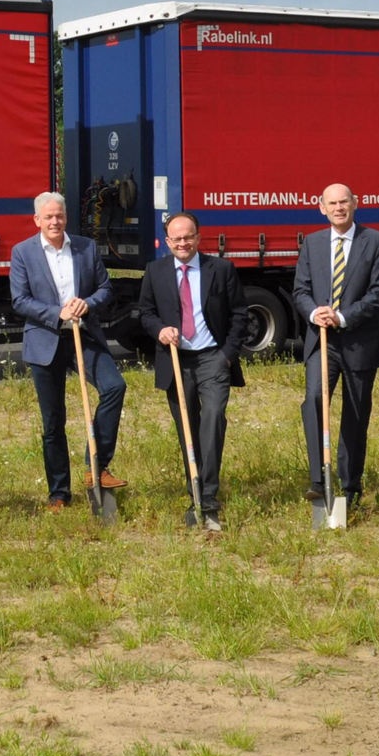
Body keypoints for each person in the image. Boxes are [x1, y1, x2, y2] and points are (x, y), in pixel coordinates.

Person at [10, 191, 127, 510]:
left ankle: (96, 467)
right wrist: (56, 312)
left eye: (59, 215)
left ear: (66, 217)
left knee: (114, 387)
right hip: (45, 339)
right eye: (48, 217)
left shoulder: (86, 248)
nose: (55, 222)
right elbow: (20, 300)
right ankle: (59, 492)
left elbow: (105, 289)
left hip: (84, 336)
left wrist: (86, 303)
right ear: (37, 220)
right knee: (53, 421)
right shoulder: (23, 252)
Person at [138, 212, 248, 531]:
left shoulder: (221, 269)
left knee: (213, 418)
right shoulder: (155, 271)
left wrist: (227, 356)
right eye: (177, 239)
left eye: (188, 237)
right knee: (187, 427)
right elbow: (145, 312)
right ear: (167, 241)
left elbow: (239, 315)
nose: (183, 243)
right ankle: (195, 492)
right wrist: (160, 330)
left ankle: (209, 496)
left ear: (199, 238)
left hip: (213, 357)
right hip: (176, 360)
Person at [294, 183, 379, 506]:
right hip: (322, 341)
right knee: (314, 399)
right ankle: (318, 480)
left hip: (359, 341)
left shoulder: (376, 241)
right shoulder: (312, 243)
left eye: (344, 202)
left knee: (355, 412)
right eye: (332, 203)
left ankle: (350, 488)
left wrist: (343, 317)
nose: (338, 208)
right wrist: (314, 313)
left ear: (355, 204)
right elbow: (301, 290)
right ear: (322, 208)